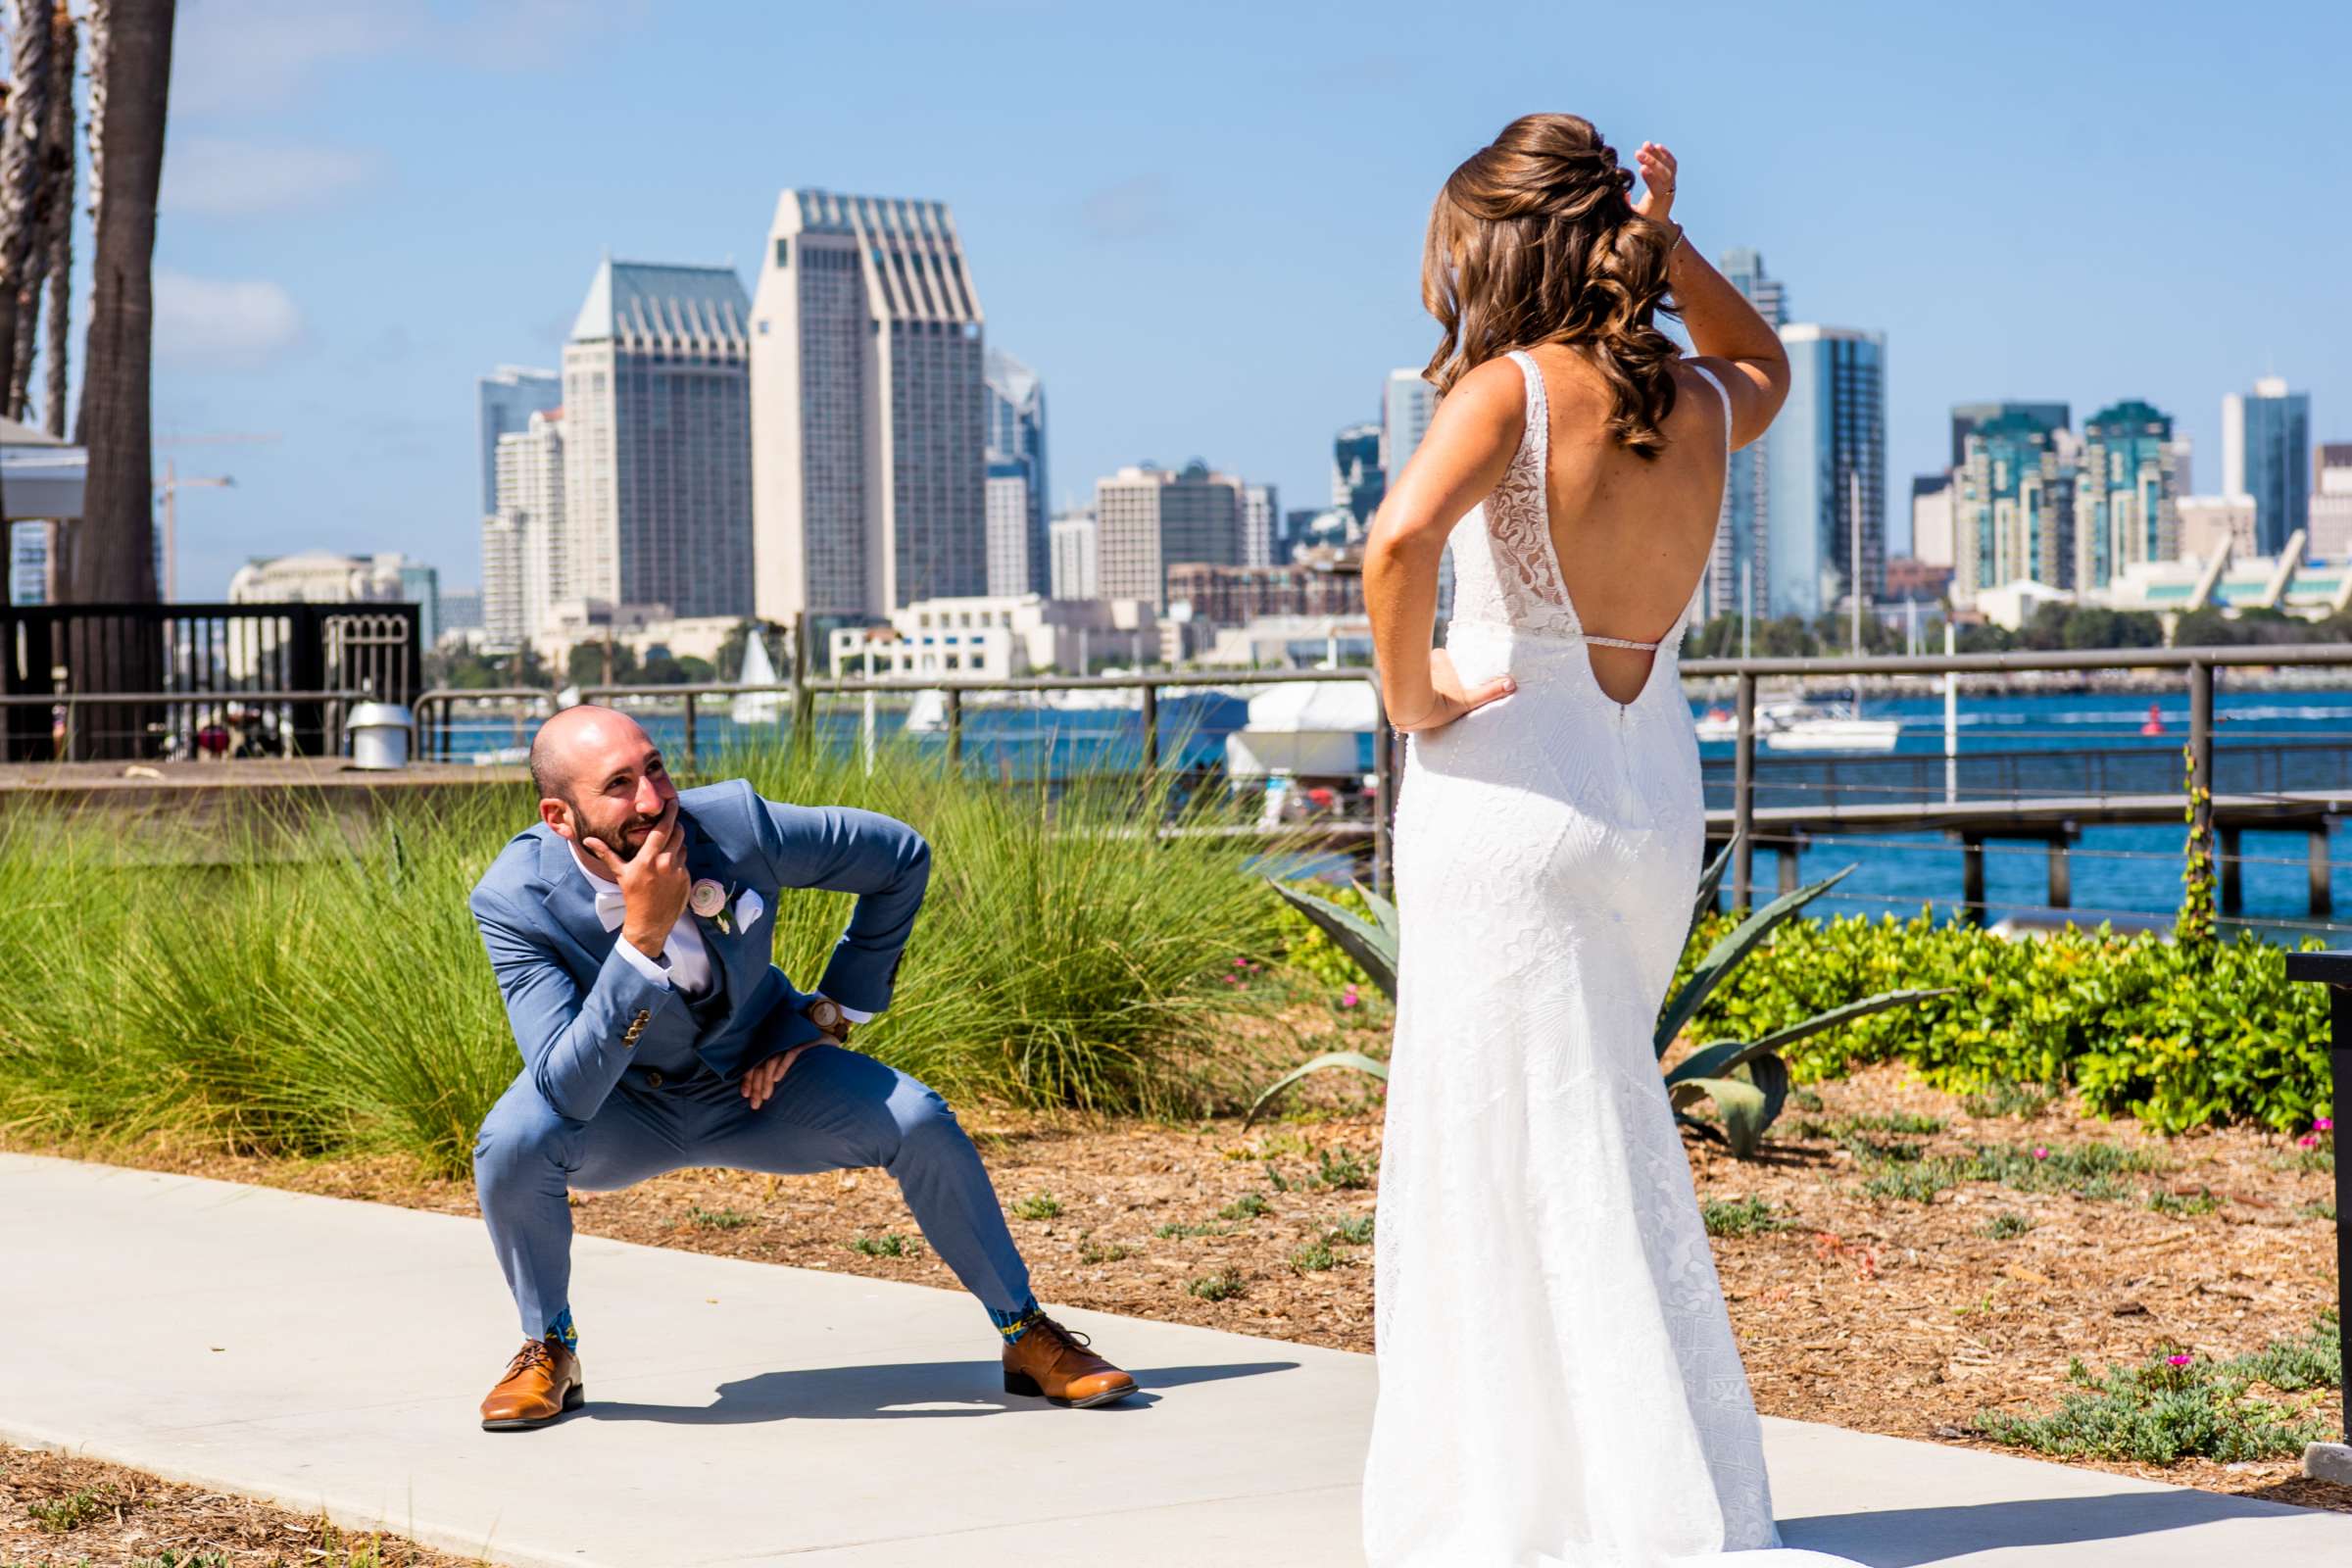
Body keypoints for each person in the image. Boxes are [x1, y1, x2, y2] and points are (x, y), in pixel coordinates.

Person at [1360, 118, 1858, 1564]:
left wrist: (1414, 698)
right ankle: (1631, 1487)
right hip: (1647, 805)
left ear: (1503, 252)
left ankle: (1528, 1509)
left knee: (1495, 1160)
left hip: (1510, 793)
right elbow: (1771, 363)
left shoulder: (1507, 391)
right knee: (1589, 1144)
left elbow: (1397, 546)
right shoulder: (1699, 399)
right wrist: (1671, 237)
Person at [466, 704, 1137, 1430]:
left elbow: (900, 858)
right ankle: (549, 1347)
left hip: (760, 1082)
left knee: (918, 1119)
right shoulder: (514, 900)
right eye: (620, 785)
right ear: (561, 818)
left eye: (655, 768)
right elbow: (564, 1091)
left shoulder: (738, 828)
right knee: (512, 1142)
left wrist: (836, 1013)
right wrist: (641, 939)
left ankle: (1025, 1332)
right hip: (618, 1108)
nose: (655, 800)